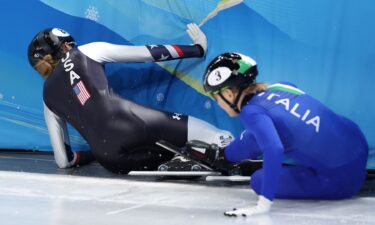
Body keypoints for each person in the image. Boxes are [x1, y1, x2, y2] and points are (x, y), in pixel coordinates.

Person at [178, 52, 369, 216]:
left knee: (258, 180)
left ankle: (226, 158)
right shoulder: (280, 87)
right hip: (360, 147)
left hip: (343, 182)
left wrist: (263, 204)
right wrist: (227, 155)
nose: (217, 104)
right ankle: (226, 155)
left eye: (216, 97)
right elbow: (266, 132)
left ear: (228, 94)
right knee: (265, 131)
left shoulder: (250, 112)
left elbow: (274, 149)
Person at [27, 24, 233, 174]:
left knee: (177, 155)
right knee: (214, 136)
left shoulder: (47, 97)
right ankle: (230, 149)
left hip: (111, 159)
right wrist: (197, 49)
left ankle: (182, 158)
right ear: (65, 45)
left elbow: (64, 161)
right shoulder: (87, 51)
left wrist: (93, 153)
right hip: (134, 124)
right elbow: (150, 53)